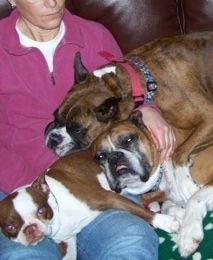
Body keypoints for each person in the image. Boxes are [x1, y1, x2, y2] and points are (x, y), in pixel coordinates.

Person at [0, 0, 175, 259]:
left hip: (101, 181)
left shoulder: (95, 35)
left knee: (132, 241)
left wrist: (147, 108)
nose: (52, 2)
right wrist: (34, 186)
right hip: (20, 190)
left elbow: (127, 91)